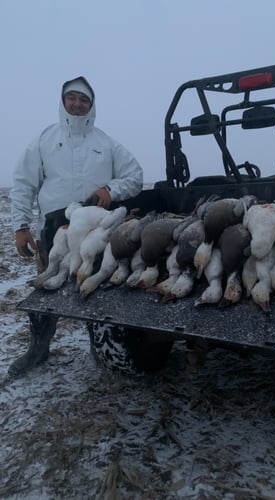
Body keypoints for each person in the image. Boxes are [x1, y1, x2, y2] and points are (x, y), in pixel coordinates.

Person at [9, 76, 143, 376]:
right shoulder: (45, 139)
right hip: (53, 232)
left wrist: (111, 190)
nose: (77, 103)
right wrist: (20, 226)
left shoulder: (105, 143)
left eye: (84, 99)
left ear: (92, 105)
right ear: (63, 101)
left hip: (94, 234)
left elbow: (135, 175)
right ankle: (39, 347)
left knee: (95, 290)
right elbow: (23, 183)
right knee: (47, 288)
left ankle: (101, 347)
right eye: (72, 97)